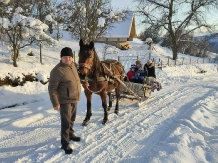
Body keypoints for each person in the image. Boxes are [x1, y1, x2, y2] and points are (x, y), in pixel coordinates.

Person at [48, 47, 81, 154]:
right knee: (66, 122)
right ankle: (65, 144)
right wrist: (55, 103)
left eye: (70, 57)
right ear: (61, 58)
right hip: (64, 100)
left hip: (74, 98)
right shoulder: (57, 71)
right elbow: (52, 88)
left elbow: (76, 79)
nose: (68, 59)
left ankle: (70, 134)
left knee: (72, 119)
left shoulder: (73, 66)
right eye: (65, 57)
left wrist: (84, 83)